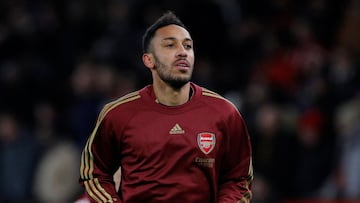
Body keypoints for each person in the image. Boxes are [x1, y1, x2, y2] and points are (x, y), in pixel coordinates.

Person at [78, 10, 253, 203]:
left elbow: (238, 180)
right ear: (149, 59)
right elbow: (94, 175)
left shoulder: (224, 113)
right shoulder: (117, 114)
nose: (182, 52)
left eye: (188, 46)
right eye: (170, 45)